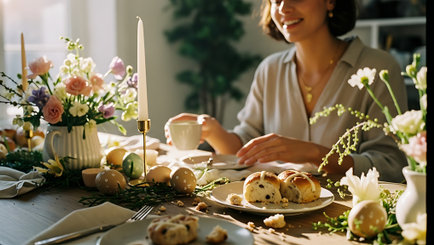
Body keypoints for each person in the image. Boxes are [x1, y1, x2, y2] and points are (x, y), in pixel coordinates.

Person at [164, 0, 408, 182]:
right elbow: (246, 149)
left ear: (330, 1)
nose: (283, 8)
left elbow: (391, 165)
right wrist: (213, 132)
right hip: (276, 215)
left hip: (347, 215)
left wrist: (313, 154)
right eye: (275, 0)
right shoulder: (269, 70)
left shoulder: (379, 68)